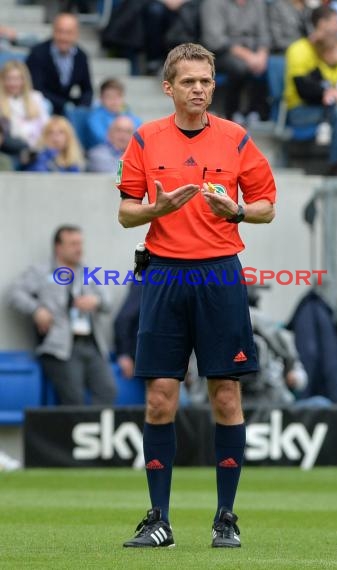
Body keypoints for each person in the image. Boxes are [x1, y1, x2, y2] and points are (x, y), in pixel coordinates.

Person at [117, 42, 276, 548]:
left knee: (226, 395)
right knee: (161, 398)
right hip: (164, 276)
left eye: (206, 81)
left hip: (219, 276)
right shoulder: (145, 139)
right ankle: (158, 519)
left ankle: (225, 517)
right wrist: (155, 209)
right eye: (189, 82)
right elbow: (125, 212)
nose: (200, 89)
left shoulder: (236, 138)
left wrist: (237, 211)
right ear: (169, 87)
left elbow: (267, 205)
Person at [8, 225, 117, 406]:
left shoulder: (89, 272)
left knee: (108, 390)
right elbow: (14, 293)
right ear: (58, 247)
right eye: (73, 244)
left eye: (80, 243)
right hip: (60, 347)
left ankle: (94, 431)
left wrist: (95, 301)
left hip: (92, 344)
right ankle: (75, 432)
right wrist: (37, 310)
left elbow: (108, 300)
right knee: (74, 398)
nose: (79, 248)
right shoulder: (42, 272)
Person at [284, 6, 337, 175]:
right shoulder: (299, 49)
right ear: (321, 23)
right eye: (335, 22)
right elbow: (303, 89)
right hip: (300, 109)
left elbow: (336, 83)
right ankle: (335, 165)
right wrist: (331, 94)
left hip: (324, 106)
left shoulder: (334, 51)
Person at [200, 0, 271, 123]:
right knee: (239, 67)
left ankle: (259, 112)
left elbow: (264, 34)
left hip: (255, 51)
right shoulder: (212, 3)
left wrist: (262, 54)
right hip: (221, 52)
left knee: (274, 65)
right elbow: (214, 39)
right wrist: (248, 56)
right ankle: (232, 112)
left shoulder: (258, 3)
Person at [25, 12, 93, 115]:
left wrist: (83, 105)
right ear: (53, 31)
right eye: (60, 31)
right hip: (44, 102)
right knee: (43, 104)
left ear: (76, 34)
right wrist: (64, 104)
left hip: (66, 103)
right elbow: (36, 88)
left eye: (69, 32)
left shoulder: (81, 56)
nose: (64, 37)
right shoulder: (38, 53)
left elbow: (87, 89)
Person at [0, 60, 50, 153]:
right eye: (8, 79)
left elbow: (46, 126)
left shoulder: (36, 97)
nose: (13, 83)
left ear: (24, 80)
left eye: (17, 79)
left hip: (38, 145)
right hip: (12, 147)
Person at [86, 78, 142, 149]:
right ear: (101, 98)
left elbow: (140, 134)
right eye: (109, 97)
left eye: (117, 96)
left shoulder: (128, 114)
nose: (114, 101)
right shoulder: (94, 118)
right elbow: (104, 139)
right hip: (104, 153)